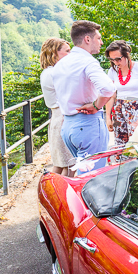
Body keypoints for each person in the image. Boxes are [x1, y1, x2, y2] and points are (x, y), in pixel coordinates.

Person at [52, 20, 116, 172]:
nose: (101, 42)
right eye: (98, 38)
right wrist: (96, 106)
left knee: (82, 173)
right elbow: (108, 88)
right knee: (90, 178)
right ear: (88, 39)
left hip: (67, 126)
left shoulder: (60, 64)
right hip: (88, 125)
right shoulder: (87, 62)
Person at [39, 37, 75, 176]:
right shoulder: (54, 73)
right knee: (68, 164)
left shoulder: (49, 72)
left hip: (58, 117)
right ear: (55, 53)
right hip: (62, 117)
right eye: (67, 51)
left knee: (62, 164)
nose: (70, 54)